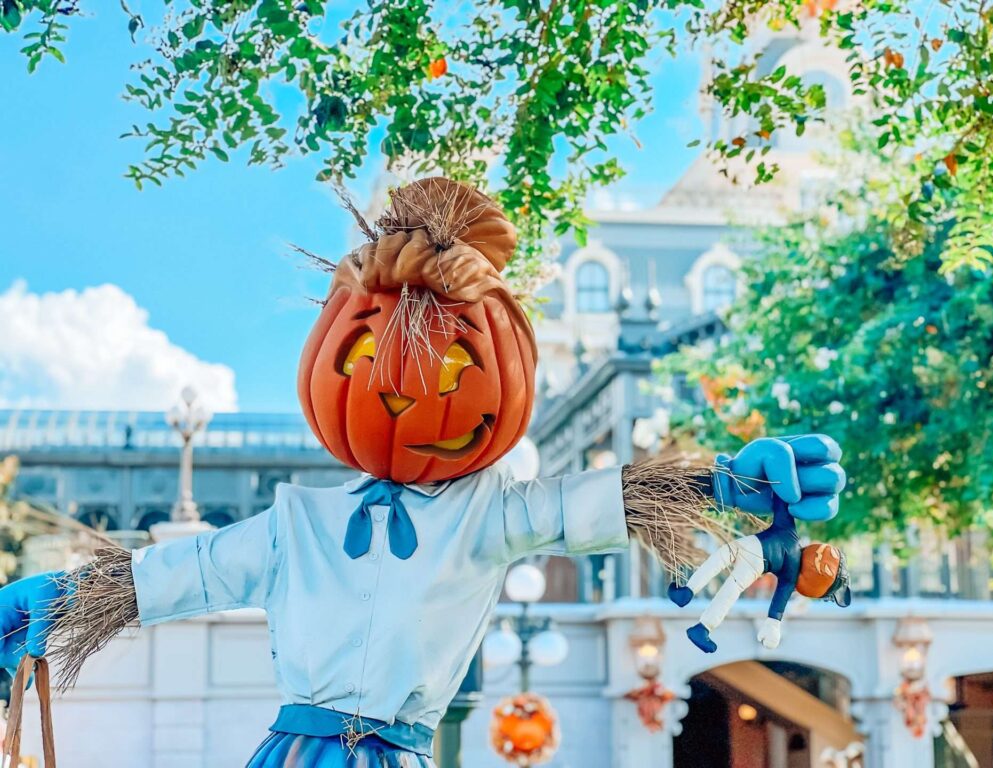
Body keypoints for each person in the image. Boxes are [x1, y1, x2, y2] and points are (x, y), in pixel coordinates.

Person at [0, 178, 847, 767]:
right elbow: (186, 570)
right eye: (369, 357)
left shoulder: (490, 516)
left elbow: (598, 502)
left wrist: (724, 485)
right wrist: (61, 597)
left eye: (449, 373)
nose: (406, 399)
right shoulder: (296, 524)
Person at [669, 481, 851, 653]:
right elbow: (779, 604)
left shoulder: (789, 533)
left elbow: (781, 499)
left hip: (750, 550)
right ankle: (702, 626)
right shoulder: (791, 574)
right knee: (730, 589)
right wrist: (772, 625)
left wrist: (778, 479)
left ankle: (688, 592)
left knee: (720, 561)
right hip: (755, 564)